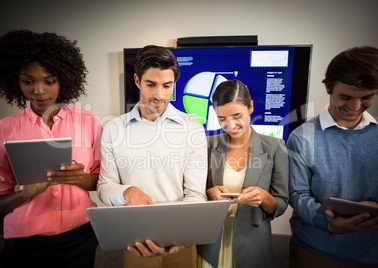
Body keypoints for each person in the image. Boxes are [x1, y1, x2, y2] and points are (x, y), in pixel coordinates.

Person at [0, 30, 102, 268]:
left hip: (80, 234)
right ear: (14, 81)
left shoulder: (88, 121)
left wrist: (81, 178)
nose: (38, 90)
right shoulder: (3, 130)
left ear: (64, 80)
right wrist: (23, 194)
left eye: (49, 81)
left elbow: (102, 181)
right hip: (24, 240)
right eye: (28, 81)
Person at [97, 44, 207, 267]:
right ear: (137, 81)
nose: (159, 95)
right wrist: (127, 192)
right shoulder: (113, 128)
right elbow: (104, 186)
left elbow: (195, 194)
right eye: (151, 85)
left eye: (167, 86)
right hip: (135, 243)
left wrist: (177, 235)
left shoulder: (192, 127)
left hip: (180, 242)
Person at [287, 46, 378, 267]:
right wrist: (324, 221)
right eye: (345, 97)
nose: (355, 107)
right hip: (314, 251)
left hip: (371, 253)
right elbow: (297, 194)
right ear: (328, 87)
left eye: (367, 97)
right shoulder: (301, 138)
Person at [197, 79, 289, 268]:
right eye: (222, 118)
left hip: (252, 244)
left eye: (236, 116)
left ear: (251, 107)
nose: (230, 125)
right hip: (211, 242)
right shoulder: (207, 145)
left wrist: (264, 198)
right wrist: (209, 194)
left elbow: (281, 204)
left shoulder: (275, 147)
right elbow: (193, 191)